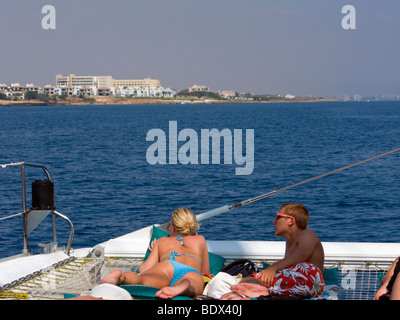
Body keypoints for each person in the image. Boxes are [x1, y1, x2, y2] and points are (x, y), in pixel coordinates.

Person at [221, 203, 325, 300]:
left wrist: (273, 268)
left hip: (311, 283)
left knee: (304, 267)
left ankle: (255, 289)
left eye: (278, 217)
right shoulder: (288, 243)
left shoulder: (307, 233)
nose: (274, 221)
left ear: (291, 221)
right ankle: (250, 291)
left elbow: (302, 254)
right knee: (255, 277)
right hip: (295, 285)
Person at [100, 208, 210, 299]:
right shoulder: (200, 239)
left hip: (167, 265)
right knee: (193, 283)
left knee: (141, 280)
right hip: (190, 271)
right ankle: (185, 286)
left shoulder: (162, 241)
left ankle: (121, 277)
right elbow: (205, 272)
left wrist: (155, 252)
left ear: (173, 227)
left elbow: (144, 270)